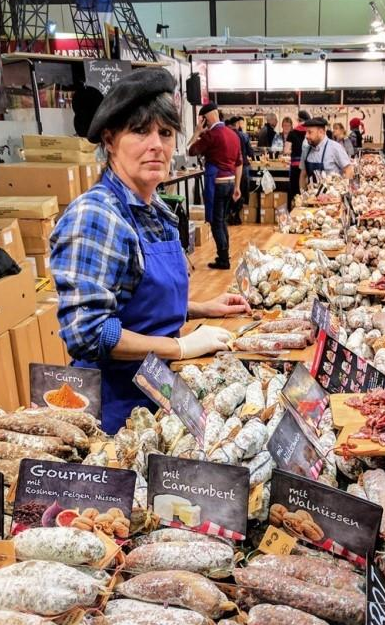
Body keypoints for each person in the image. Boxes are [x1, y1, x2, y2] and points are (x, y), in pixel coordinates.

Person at [50, 69, 250, 434]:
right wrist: (182, 348)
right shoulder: (97, 216)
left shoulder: (154, 208)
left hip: (154, 388)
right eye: (140, 131)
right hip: (113, 409)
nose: (156, 144)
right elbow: (91, 333)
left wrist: (201, 308)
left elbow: (132, 293)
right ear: (110, 140)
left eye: (166, 132)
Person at [188, 102, 242, 270]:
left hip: (216, 182)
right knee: (222, 220)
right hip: (231, 181)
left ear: (206, 117)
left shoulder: (211, 136)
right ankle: (225, 254)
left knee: (216, 221)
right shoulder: (233, 135)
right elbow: (239, 162)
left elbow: (190, 150)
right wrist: (237, 186)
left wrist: (197, 131)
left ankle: (223, 258)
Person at [299, 117, 354, 189]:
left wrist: (343, 191)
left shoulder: (335, 148)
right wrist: (302, 194)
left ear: (321, 132)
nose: (306, 136)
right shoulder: (306, 150)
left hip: (332, 197)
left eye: (310, 132)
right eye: (306, 132)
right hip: (311, 198)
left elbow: (349, 170)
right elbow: (303, 175)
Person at [227, 116, 254, 225]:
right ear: (237, 124)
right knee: (241, 191)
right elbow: (250, 152)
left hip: (229, 168)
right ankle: (237, 215)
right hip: (243, 167)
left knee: (231, 191)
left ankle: (230, 213)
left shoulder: (227, 136)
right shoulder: (243, 136)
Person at [285, 110, 310, 208]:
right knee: (305, 191)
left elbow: (286, 150)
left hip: (295, 166)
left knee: (294, 191)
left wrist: (294, 152)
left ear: (298, 120)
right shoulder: (309, 132)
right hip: (307, 166)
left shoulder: (292, 133)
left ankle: (293, 211)